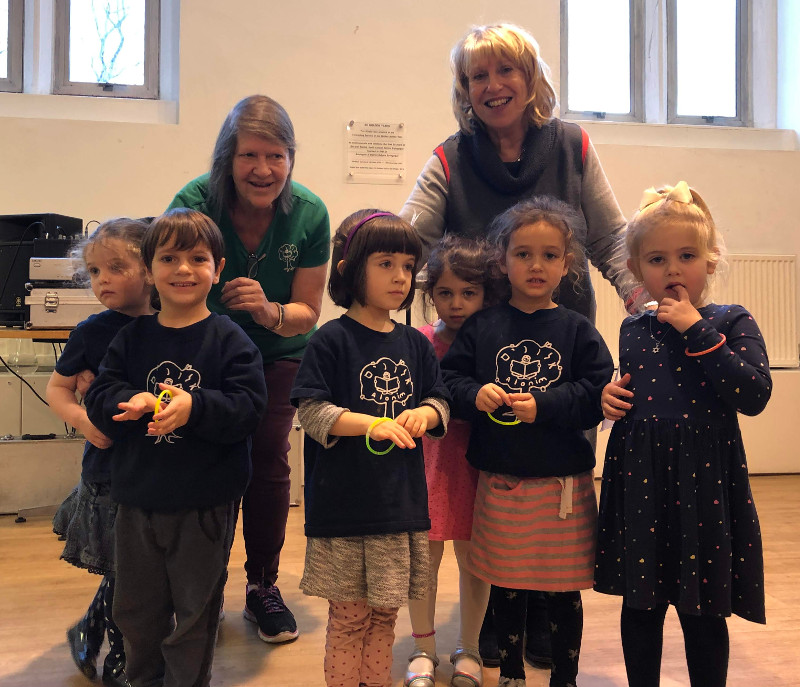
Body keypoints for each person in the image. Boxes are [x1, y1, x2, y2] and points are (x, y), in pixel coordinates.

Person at [399, 22, 633, 667]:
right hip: (485, 354)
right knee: (498, 492)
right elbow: (408, 237)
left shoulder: (574, 145)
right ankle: (505, 614)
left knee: (556, 488)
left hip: (561, 347)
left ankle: (540, 608)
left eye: (506, 71)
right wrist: (377, 278)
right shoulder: (449, 157)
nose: (492, 86)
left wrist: (642, 298)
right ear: (464, 90)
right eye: (477, 76)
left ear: (532, 81)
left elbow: (614, 239)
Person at [167, 95, 330, 643]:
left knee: (267, 459)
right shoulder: (194, 202)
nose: (263, 170)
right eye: (250, 156)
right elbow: (164, 283)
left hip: (277, 355)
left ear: (291, 158)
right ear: (227, 159)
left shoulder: (309, 213)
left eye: (277, 156)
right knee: (200, 460)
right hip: (202, 351)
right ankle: (196, 588)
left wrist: (267, 310)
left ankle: (262, 586)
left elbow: (308, 315)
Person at [595, 182, 771, 687]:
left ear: (711, 260)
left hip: (705, 487)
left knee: (704, 609)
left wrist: (696, 330)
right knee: (640, 603)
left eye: (687, 255)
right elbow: (631, 397)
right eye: (656, 259)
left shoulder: (730, 320)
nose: (673, 270)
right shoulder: (633, 329)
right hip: (641, 485)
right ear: (635, 270)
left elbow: (754, 393)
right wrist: (607, 402)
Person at [84, 208, 268, 687]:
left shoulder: (233, 340)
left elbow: (248, 409)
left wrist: (196, 407)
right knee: (135, 609)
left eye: (197, 258)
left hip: (205, 503)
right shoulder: (131, 337)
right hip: (137, 501)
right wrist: (133, 399)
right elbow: (101, 396)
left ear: (218, 268)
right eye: (169, 258)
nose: (183, 269)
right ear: (150, 269)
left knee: (195, 613)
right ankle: (143, 679)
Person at [441, 197, 615, 687]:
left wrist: (546, 405)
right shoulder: (481, 326)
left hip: (563, 486)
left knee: (563, 592)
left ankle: (566, 675)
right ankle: (512, 673)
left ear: (568, 263)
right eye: (522, 254)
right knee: (507, 585)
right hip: (501, 482)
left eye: (549, 255)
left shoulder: (578, 329)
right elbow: (448, 382)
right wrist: (476, 394)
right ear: (503, 260)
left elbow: (596, 393)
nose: (535, 265)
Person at [290, 210, 450, 687]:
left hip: (399, 509)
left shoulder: (416, 345)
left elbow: (440, 401)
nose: (400, 277)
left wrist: (427, 413)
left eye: (407, 265)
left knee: (384, 619)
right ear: (350, 268)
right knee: (350, 619)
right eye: (385, 264)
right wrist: (373, 425)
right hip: (345, 511)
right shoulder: (329, 341)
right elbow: (312, 412)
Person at [47, 217, 153, 687]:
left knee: (136, 572)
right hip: (110, 470)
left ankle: (89, 630)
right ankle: (118, 663)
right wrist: (84, 422)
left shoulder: (176, 322)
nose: (102, 280)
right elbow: (57, 388)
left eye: (115, 267)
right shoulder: (92, 331)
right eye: (93, 271)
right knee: (125, 572)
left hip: (159, 470)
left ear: (150, 269)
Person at [405, 235, 499, 687]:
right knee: (424, 557)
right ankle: (423, 647)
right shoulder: (418, 340)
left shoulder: (496, 342)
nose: (456, 303)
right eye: (444, 293)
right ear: (430, 295)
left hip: (476, 465)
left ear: (485, 293)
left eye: (468, 292)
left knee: (474, 559)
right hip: (425, 465)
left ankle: (470, 648)